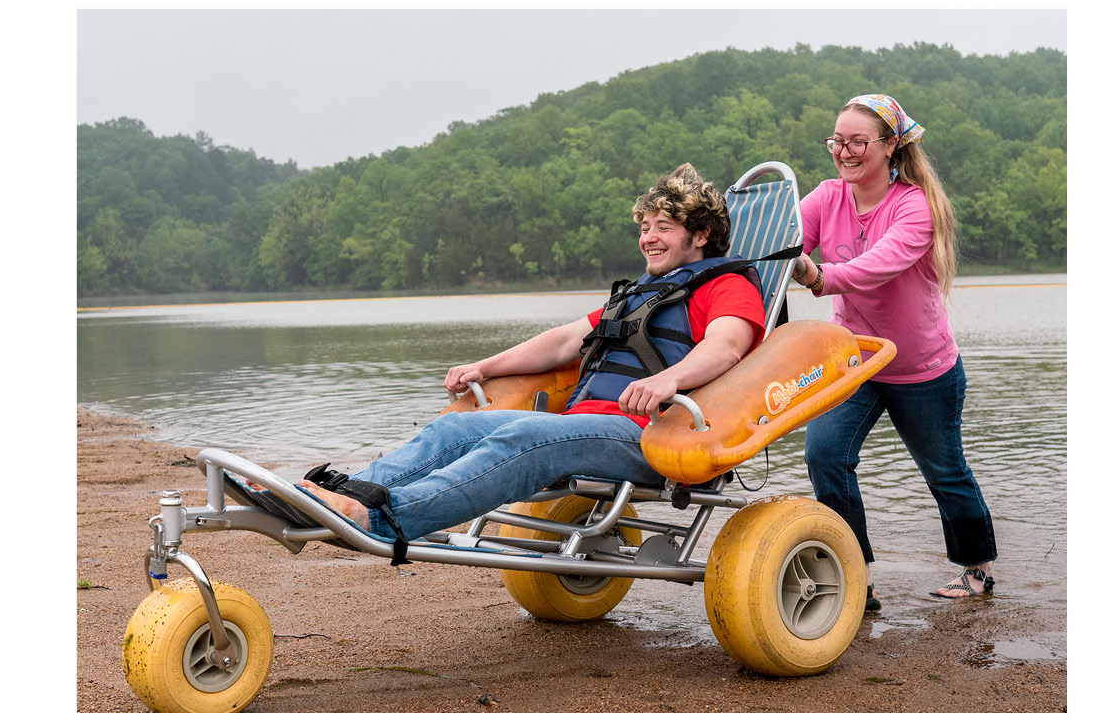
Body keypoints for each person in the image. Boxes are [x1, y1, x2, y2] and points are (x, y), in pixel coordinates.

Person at [296, 164, 765, 548]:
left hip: (655, 434)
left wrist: (668, 382)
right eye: (644, 228)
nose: (649, 238)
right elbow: (564, 340)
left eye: (664, 227)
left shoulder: (727, 285)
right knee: (455, 426)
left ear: (701, 234)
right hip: (585, 426)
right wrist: (486, 366)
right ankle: (337, 493)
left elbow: (726, 345)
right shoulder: (645, 292)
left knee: (529, 434)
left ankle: (383, 520)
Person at [789, 94, 998, 601]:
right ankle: (852, 572)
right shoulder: (824, 197)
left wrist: (818, 276)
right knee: (824, 456)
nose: (845, 150)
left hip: (921, 368)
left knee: (944, 471)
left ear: (889, 145)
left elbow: (878, 266)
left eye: (858, 141)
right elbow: (786, 239)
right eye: (837, 140)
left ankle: (976, 569)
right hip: (855, 361)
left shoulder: (914, 205)